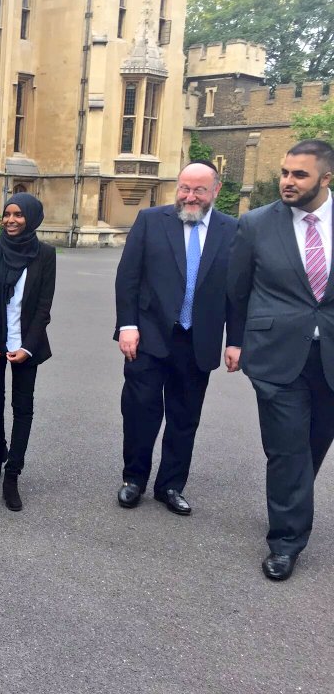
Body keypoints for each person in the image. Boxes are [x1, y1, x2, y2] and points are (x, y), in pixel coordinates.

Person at [227, 139, 334, 581]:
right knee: (287, 448)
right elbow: (237, 290)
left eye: (299, 175)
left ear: (325, 179)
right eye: (285, 173)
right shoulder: (255, 224)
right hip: (275, 356)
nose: (287, 182)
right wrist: (237, 342)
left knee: (314, 444)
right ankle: (286, 541)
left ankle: (292, 501)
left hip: (328, 354)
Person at [114, 162, 236, 516]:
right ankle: (133, 479)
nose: (190, 196)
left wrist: (235, 340)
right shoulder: (150, 220)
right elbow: (128, 278)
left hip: (198, 341)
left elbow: (237, 292)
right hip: (149, 336)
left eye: (199, 189)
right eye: (184, 188)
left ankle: (170, 485)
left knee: (185, 419)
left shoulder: (233, 230)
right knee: (140, 412)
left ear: (216, 190)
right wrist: (127, 326)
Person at [0, 192, 56, 511]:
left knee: (23, 408)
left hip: (26, 343)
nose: (10, 220)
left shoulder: (45, 254)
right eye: (7, 214)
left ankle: (12, 474)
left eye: (18, 215)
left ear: (31, 218)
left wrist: (29, 347)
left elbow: (43, 307)